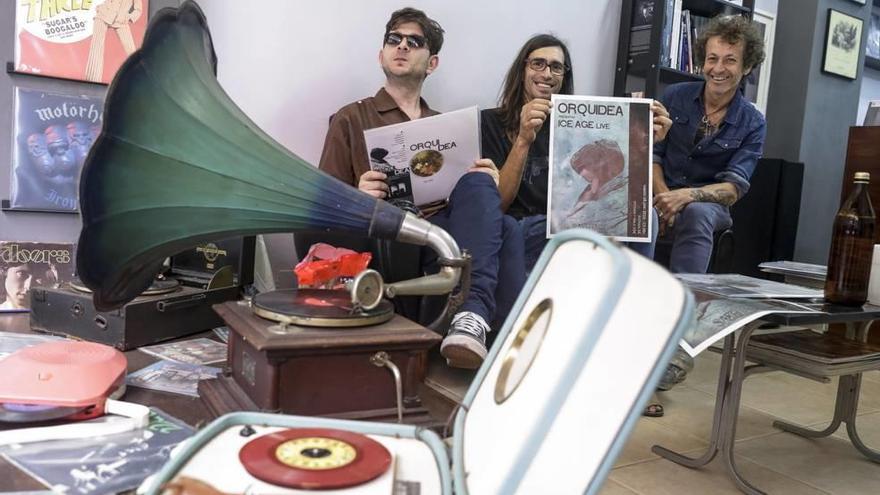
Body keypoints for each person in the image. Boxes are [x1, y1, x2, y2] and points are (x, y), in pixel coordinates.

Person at [319, 7, 526, 369]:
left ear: (431, 63)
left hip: (447, 225)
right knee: (507, 229)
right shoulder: (351, 117)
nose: (402, 46)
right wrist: (357, 192)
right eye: (393, 40)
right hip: (395, 229)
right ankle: (493, 337)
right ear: (381, 54)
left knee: (481, 183)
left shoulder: (444, 125)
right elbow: (324, 202)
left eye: (414, 42)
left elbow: (473, 197)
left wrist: (486, 178)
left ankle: (472, 327)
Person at [481, 34, 672, 270]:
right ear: (523, 70)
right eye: (537, 63)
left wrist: (643, 144)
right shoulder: (490, 121)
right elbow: (497, 204)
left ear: (564, 76)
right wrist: (522, 139)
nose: (547, 74)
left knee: (646, 219)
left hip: (572, 223)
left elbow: (613, 187)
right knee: (588, 224)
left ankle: (628, 291)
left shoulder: (575, 124)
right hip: (525, 228)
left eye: (556, 67)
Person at [651, 15, 767, 399]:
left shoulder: (753, 122)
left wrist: (686, 197)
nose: (719, 68)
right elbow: (651, 154)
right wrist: (665, 196)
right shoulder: (674, 96)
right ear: (702, 59)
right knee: (633, 211)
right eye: (713, 58)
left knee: (698, 214)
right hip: (660, 190)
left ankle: (682, 336)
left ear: (747, 65)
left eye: (730, 60)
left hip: (709, 205)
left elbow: (734, 188)